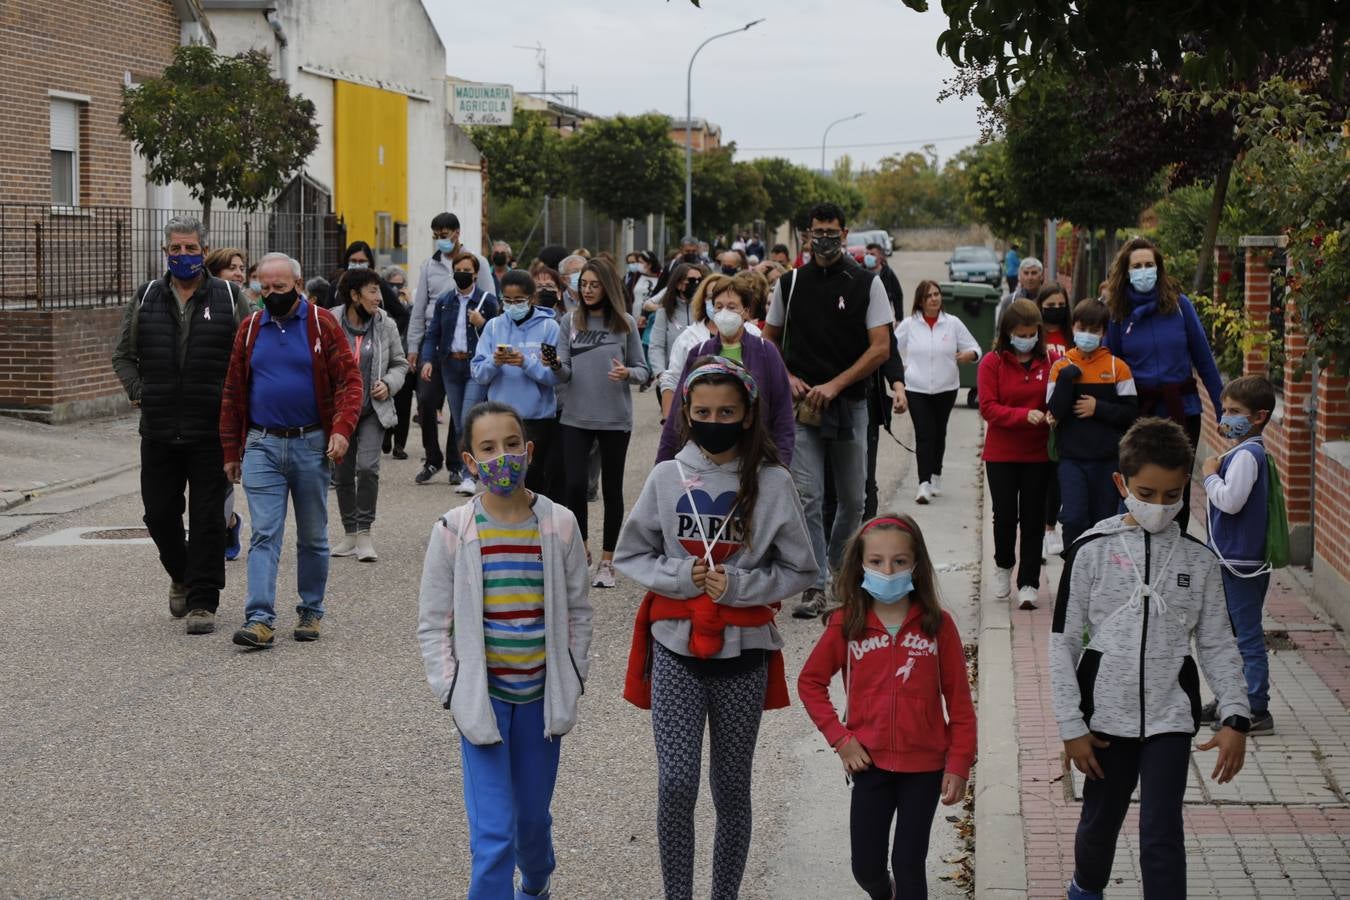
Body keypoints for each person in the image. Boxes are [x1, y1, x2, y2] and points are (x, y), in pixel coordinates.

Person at [614, 358, 816, 900]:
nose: (714, 419)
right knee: (677, 782)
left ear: (748, 415)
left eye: (726, 411)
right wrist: (682, 576)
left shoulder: (773, 483)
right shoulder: (665, 477)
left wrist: (740, 586)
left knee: (732, 788)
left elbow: (803, 568)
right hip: (676, 648)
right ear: (686, 413)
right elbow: (631, 555)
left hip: (745, 654)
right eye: (702, 411)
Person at [1051, 418, 1250, 900]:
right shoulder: (1089, 552)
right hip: (1103, 724)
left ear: (1186, 488)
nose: (1160, 506)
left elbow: (1219, 642)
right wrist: (1071, 726)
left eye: (1172, 495)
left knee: (1162, 833)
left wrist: (1235, 718)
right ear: (1121, 484)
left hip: (1170, 719)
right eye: (1147, 492)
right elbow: (1062, 643)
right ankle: (1084, 891)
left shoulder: (1199, 560)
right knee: (1099, 825)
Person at [417, 401, 593, 900]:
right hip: (483, 705)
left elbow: (579, 611)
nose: (503, 457)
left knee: (531, 826)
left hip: (540, 703)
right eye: (488, 449)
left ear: (529, 450)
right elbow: (433, 623)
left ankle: (535, 885)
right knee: (493, 838)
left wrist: (574, 676)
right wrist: (452, 689)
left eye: (512, 445)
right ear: (470, 461)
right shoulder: (453, 530)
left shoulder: (559, 524)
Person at [798, 513, 976, 900]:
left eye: (899, 561)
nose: (888, 570)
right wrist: (840, 739)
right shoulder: (846, 624)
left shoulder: (938, 626)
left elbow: (961, 702)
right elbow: (810, 683)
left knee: (909, 865)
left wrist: (959, 763)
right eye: (876, 561)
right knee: (866, 868)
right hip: (869, 766)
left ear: (917, 565)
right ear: (859, 564)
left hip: (925, 769)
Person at [111, 216, 250, 635]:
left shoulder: (229, 296)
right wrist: (139, 391)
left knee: (208, 517)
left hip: (211, 430)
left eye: (191, 248)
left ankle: (203, 601)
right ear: (165, 252)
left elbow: (248, 354)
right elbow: (123, 355)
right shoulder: (146, 296)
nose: (184, 256)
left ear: (204, 252)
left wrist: (239, 409)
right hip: (158, 429)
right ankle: (182, 574)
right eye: (176, 249)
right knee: (158, 514)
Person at [219, 252, 363, 648]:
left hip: (311, 443)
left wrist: (341, 430)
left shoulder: (322, 324)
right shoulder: (250, 328)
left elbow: (349, 382)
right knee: (265, 533)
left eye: (279, 288)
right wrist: (231, 449)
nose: (270, 295)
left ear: (298, 286)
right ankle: (260, 618)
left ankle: (311, 609)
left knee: (314, 536)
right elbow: (233, 391)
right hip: (262, 443)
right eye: (263, 288)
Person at [761, 202, 892, 619]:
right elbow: (768, 340)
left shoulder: (866, 284)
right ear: (806, 234)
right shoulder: (790, 283)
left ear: (845, 233)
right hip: (803, 408)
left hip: (850, 405)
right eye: (817, 231)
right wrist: (788, 378)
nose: (824, 239)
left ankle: (839, 563)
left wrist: (836, 384)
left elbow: (880, 348)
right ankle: (815, 583)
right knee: (808, 495)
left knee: (854, 500)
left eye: (832, 231)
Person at [1105, 236, 1224, 533]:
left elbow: (1204, 361)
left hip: (1182, 409)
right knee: (1142, 485)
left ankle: (1176, 546)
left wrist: (1225, 410)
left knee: (1175, 487)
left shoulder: (1180, 306)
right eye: (1137, 266)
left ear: (1158, 269)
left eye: (1149, 265)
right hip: (1140, 412)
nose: (1144, 270)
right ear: (1126, 271)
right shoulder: (1118, 313)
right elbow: (1111, 366)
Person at [555, 258, 649, 587]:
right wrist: (553, 365)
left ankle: (608, 562)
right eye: (583, 284)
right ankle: (581, 549)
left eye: (595, 284)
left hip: (614, 418)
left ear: (607, 286)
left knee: (612, 489)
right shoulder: (570, 322)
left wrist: (627, 373)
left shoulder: (624, 323)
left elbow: (643, 370)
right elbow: (564, 372)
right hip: (575, 416)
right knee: (574, 485)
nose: (588, 290)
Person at [1198, 375, 1279, 735]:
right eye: (1225, 409)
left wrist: (1209, 477)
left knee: (1245, 635)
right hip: (1233, 559)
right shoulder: (1242, 452)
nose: (1226, 417)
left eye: (1235, 411)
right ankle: (1233, 697)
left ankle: (1256, 707)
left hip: (1241, 562)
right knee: (1230, 634)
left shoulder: (1248, 454)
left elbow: (1230, 502)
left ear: (1259, 417)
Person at [656, 272, 793, 464]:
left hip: (754, 455)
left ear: (745, 311)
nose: (724, 313)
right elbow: (678, 412)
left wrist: (781, 464)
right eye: (718, 307)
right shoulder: (699, 352)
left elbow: (783, 413)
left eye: (731, 307)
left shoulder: (766, 352)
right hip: (706, 456)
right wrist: (663, 464)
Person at [408, 212, 494, 485]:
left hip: (468, 345)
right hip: (436, 343)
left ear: (456, 233)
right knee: (426, 400)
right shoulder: (429, 266)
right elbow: (420, 309)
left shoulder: (476, 262)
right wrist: (415, 347)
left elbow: (490, 303)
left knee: (461, 411)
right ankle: (432, 459)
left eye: (444, 234)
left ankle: (457, 464)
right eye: (436, 235)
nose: (440, 240)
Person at [978, 298, 1053, 610]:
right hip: (1002, 453)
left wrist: (1051, 415)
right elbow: (988, 407)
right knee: (1005, 515)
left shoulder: (1048, 363)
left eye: (1031, 332)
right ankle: (1003, 565)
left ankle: (1029, 581)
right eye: (1020, 332)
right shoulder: (991, 363)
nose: (1026, 337)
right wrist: (1023, 416)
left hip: (1037, 454)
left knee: (1034, 519)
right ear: (1008, 332)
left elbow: (1055, 398)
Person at [329, 267, 409, 562]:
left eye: (379, 290)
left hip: (373, 409)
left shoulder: (385, 324)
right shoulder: (330, 321)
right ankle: (349, 533)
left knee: (367, 467)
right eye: (373, 291)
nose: (379, 297)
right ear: (354, 295)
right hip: (340, 411)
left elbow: (400, 364)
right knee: (342, 472)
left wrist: (388, 384)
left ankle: (364, 533)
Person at [1046, 299, 1138, 550]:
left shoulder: (1117, 367)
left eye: (1094, 330)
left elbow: (1131, 413)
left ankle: (1099, 578)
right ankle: (1072, 572)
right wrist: (1066, 379)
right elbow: (1055, 411)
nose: (1087, 335)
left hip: (1107, 459)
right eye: (1082, 328)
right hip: (1071, 459)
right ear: (1073, 328)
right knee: (1074, 519)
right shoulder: (1060, 367)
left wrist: (1098, 408)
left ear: (1104, 332)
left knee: (1103, 523)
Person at [471, 269, 563, 496]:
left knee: (533, 481)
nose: (513, 306)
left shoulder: (549, 327)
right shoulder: (493, 326)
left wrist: (525, 364)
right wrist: (495, 362)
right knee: (502, 479)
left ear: (532, 298)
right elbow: (478, 373)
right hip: (500, 416)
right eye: (507, 300)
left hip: (537, 419)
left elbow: (554, 376)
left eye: (519, 300)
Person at [420, 251, 499, 495]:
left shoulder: (487, 301)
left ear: (476, 273)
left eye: (467, 270)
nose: (462, 274)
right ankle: (470, 468)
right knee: (457, 424)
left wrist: (481, 322)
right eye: (458, 269)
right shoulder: (445, 300)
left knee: (466, 419)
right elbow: (433, 333)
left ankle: (469, 476)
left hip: (475, 366)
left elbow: (498, 333)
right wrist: (427, 360)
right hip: (450, 366)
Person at [895, 279, 981, 504]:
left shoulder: (952, 323)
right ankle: (923, 484)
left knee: (939, 432)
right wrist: (903, 370)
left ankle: (936, 474)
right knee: (924, 434)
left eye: (937, 294)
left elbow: (975, 348)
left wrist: (968, 355)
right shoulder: (909, 325)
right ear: (920, 302)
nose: (934, 298)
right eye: (929, 296)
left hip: (946, 388)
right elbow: (891, 350)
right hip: (916, 388)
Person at [205, 246, 252, 560]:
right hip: (199, 400)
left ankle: (219, 530)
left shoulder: (244, 304)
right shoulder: (201, 303)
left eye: (241, 268)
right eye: (231, 268)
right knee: (203, 477)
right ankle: (229, 522)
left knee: (222, 473)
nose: (238, 273)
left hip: (231, 400)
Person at [1035, 281, 1071, 556]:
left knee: (1057, 477)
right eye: (1050, 307)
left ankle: (1050, 528)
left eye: (1061, 306)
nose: (1056, 310)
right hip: (1037, 413)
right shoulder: (1033, 336)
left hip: (1065, 416)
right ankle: (1037, 531)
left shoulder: (1072, 336)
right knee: (1040, 478)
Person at [647, 263, 705, 403]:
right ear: (679, 284)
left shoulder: (705, 311)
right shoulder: (665, 312)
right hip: (672, 383)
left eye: (699, 280)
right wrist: (661, 375)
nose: (696, 284)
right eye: (691, 280)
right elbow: (656, 346)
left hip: (702, 382)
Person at [381, 265, 414, 459]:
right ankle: (386, 434)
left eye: (399, 285)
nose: (395, 288)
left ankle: (399, 444)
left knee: (404, 403)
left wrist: (409, 303)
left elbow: (416, 325)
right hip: (386, 359)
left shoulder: (410, 304)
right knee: (386, 399)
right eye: (391, 285)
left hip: (405, 357)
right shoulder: (382, 306)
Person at [995, 256, 1045, 326]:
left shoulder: (1047, 300)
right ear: (1019, 276)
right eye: (1026, 273)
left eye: (1034, 273)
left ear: (1041, 276)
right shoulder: (1009, 301)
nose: (1029, 278)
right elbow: (1000, 330)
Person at [863, 243, 904, 321]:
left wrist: (899, 319)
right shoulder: (860, 273)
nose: (868, 257)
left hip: (883, 318)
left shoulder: (888, 273)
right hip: (864, 319)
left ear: (880, 257)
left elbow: (898, 296)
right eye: (867, 254)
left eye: (872, 254)